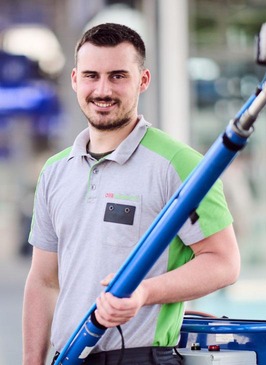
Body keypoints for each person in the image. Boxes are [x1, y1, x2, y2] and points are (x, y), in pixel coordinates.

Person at [22, 23, 240, 365]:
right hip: (68, 357)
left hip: (141, 357)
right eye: (92, 76)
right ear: (75, 80)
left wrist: (143, 293)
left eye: (118, 76)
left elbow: (223, 262)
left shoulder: (179, 165)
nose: (103, 89)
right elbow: (44, 280)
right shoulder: (55, 171)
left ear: (143, 80)